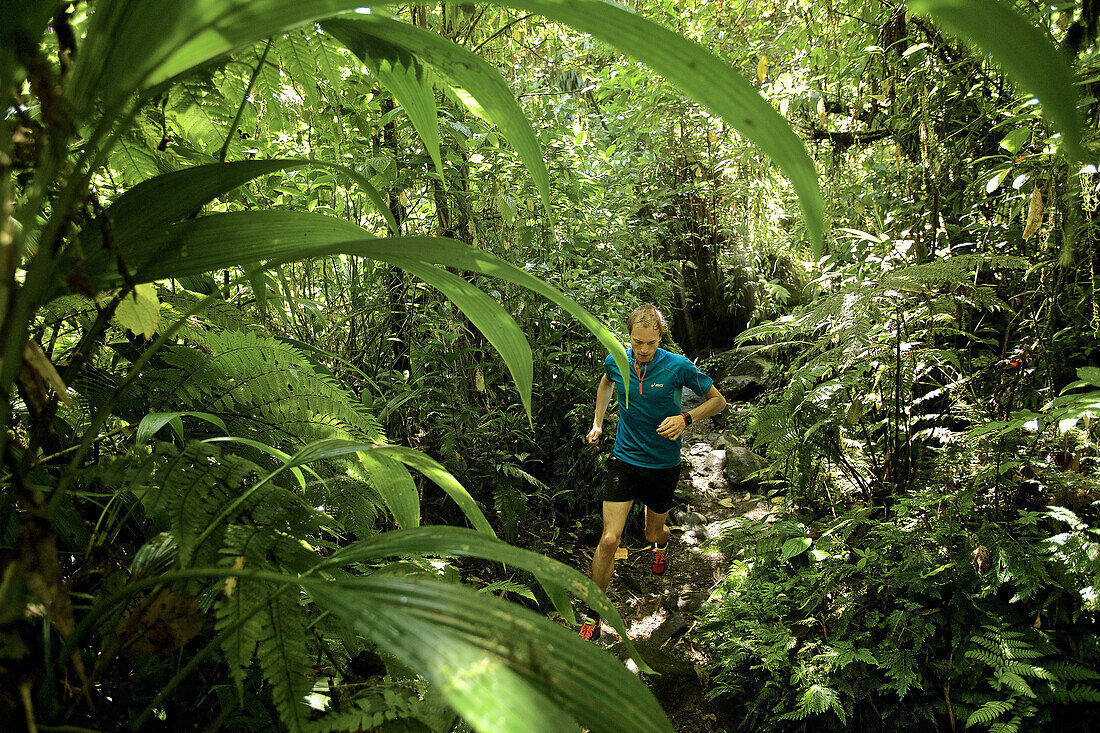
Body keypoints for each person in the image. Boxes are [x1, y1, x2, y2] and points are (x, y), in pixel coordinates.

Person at [579, 303, 727, 641]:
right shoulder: (617, 359)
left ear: (660, 337)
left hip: (663, 465)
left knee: (650, 534)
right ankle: (593, 611)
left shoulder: (678, 366)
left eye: (651, 343)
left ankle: (660, 544)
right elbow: (605, 385)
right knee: (609, 539)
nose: (643, 350)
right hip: (625, 460)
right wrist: (598, 423)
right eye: (637, 342)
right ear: (628, 336)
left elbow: (718, 401)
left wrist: (686, 418)